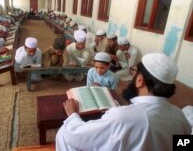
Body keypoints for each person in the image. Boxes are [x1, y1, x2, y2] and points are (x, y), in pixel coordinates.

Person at [56, 52, 191, 151]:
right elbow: (183, 144)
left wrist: (72, 115)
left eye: (133, 73)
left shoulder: (122, 116)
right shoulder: (180, 116)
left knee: (64, 132)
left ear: (140, 80)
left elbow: (77, 135)